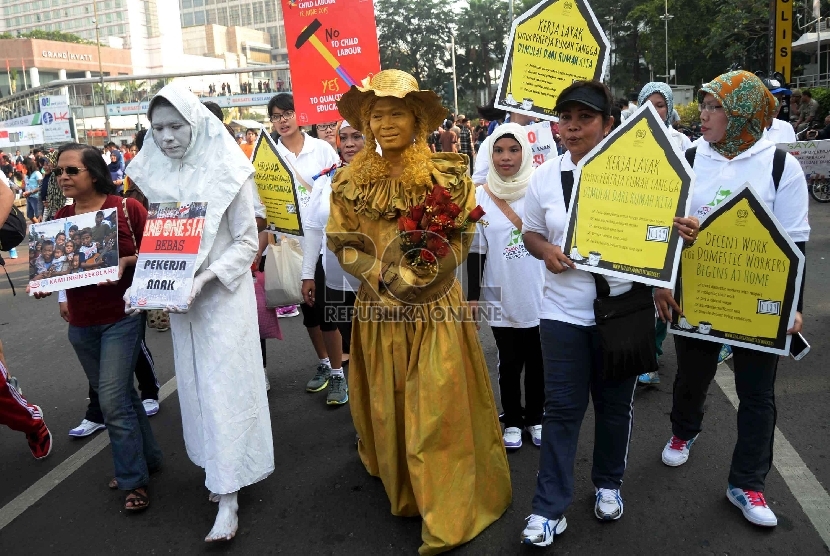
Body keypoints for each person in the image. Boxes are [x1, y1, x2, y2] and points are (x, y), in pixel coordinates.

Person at [327, 69, 511, 555]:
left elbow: (462, 236)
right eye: (376, 115)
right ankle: (403, 481)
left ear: (417, 120)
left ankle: (446, 504)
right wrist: (383, 279)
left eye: (396, 113)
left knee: (437, 408)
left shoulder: (446, 173)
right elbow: (344, 242)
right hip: (380, 310)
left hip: (436, 311)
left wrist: (427, 271)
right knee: (391, 399)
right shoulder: (347, 180)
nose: (385, 123)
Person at [519, 80, 700, 547]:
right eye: (566, 118)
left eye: (585, 118)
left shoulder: (642, 173)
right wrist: (545, 251)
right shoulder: (547, 176)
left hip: (623, 312)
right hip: (561, 312)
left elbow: (661, 237)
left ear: (608, 124)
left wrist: (681, 239)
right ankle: (548, 508)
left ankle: (608, 484)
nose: (573, 127)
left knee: (615, 406)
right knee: (561, 409)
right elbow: (531, 234)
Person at [655, 70, 809, 528]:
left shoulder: (781, 166)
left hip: (757, 303)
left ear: (742, 113)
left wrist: (792, 304)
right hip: (698, 296)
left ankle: (747, 483)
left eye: (715, 107)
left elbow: (795, 241)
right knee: (692, 376)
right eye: (703, 105)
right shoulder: (686, 156)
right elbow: (660, 224)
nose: (702, 115)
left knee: (757, 394)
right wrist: (662, 277)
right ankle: (684, 431)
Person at [126, 84, 274, 542]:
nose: (167, 137)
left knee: (224, 389)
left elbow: (248, 242)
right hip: (182, 304)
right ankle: (218, 468)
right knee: (193, 387)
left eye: (176, 126)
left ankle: (229, 496)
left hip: (223, 301)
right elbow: (164, 241)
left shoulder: (231, 170)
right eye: (158, 129)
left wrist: (205, 279)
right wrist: (145, 285)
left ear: (197, 124)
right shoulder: (158, 175)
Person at [31, 142, 162, 511]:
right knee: (124, 398)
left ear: (94, 171)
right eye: (59, 171)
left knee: (110, 402)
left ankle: (134, 481)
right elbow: (59, 264)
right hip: (82, 322)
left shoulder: (126, 207)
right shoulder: (61, 215)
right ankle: (148, 460)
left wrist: (124, 261)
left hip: (122, 316)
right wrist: (49, 287)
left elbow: (158, 250)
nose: (63, 177)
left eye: (72, 170)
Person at [467, 123, 544, 450]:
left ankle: (536, 417)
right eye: (498, 150)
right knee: (509, 362)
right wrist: (472, 297)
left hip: (540, 293)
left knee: (539, 360)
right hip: (501, 293)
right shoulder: (481, 197)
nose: (506, 157)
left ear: (525, 153)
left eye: (513, 150)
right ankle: (512, 419)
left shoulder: (541, 189)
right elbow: (475, 250)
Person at [267, 92, 343, 388]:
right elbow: (263, 201)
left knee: (326, 310)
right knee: (308, 312)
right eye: (276, 116)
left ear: (300, 114)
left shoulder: (322, 149)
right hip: (290, 241)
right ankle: (324, 363)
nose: (282, 121)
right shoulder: (269, 155)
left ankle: (338, 373)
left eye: (287, 113)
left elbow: (339, 185)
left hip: (323, 241)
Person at [299, 121, 363, 403]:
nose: (349, 143)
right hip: (336, 279)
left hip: (379, 283)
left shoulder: (390, 179)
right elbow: (313, 229)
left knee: (384, 350)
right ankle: (366, 418)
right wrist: (307, 275)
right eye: (344, 137)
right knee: (357, 349)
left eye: (357, 136)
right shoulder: (327, 179)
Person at [635, 82, 693, 385]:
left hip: (671, 227)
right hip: (638, 225)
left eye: (660, 104)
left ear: (669, 108)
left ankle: (653, 353)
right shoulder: (631, 137)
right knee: (640, 290)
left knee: (664, 289)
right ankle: (643, 354)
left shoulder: (682, 142)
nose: (655, 110)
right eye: (649, 103)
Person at [22, 158, 42, 224]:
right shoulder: (27, 175)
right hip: (29, 197)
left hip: (36, 197)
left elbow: (40, 186)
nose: (23, 167)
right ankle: (38, 226)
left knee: (38, 215)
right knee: (30, 215)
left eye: (24, 165)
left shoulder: (37, 173)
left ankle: (41, 227)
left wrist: (31, 192)